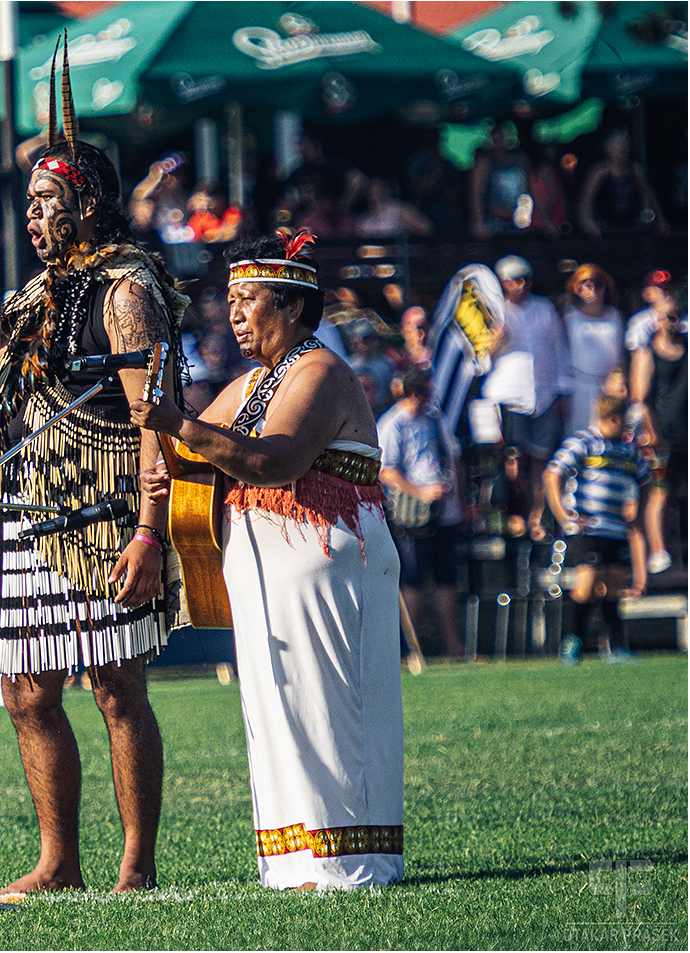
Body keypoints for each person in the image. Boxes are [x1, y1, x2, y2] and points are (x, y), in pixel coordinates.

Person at [0, 59, 182, 897]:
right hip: (31, 513)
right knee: (27, 689)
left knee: (114, 686)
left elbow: (158, 420)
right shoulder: (34, 296)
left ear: (89, 202)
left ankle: (135, 864)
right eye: (28, 202)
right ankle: (57, 861)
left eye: (45, 199)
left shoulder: (127, 289)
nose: (31, 213)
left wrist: (149, 531)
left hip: (107, 516)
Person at [130, 229, 404, 890]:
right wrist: (158, 432)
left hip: (331, 564)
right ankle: (294, 860)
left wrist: (177, 425)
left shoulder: (320, 371)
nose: (234, 314)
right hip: (265, 572)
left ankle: (349, 861)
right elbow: (190, 448)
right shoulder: (255, 381)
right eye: (230, 300)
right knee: (277, 709)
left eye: (248, 299)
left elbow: (275, 459)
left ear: (290, 307)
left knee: (329, 708)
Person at [545, 395, 650, 665]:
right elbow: (553, 473)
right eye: (624, 422)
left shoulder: (628, 451)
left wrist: (639, 508)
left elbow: (646, 479)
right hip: (587, 528)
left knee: (614, 585)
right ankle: (573, 640)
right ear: (612, 418)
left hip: (615, 528)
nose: (628, 428)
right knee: (587, 583)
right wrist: (562, 513)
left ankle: (615, 646)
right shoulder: (583, 443)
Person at [377, 369, 466, 657]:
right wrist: (420, 492)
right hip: (411, 513)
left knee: (446, 577)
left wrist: (458, 499)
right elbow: (387, 471)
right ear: (414, 392)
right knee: (412, 578)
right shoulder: (393, 424)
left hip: (444, 511)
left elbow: (453, 457)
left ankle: (453, 646)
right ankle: (410, 649)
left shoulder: (435, 418)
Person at [483, 255, 570, 540]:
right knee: (512, 459)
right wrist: (496, 340)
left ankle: (536, 517)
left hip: (543, 394)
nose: (519, 286)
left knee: (540, 460)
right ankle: (515, 514)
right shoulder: (493, 311)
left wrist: (562, 391)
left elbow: (558, 350)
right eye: (512, 280)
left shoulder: (544, 309)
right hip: (507, 396)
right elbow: (478, 360)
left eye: (523, 279)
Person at [628, 280, 686, 576]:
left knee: (683, 491)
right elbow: (641, 396)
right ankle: (659, 550)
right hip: (661, 434)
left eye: (677, 316)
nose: (673, 322)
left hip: (686, 434)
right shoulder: (648, 350)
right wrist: (652, 433)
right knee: (660, 492)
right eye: (667, 317)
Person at [562, 264, 625, 433]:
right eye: (584, 283)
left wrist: (618, 380)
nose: (591, 289)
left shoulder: (615, 316)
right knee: (579, 434)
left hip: (609, 387)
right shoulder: (569, 316)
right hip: (579, 386)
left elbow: (620, 354)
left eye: (597, 284)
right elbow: (560, 354)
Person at [576, 131, 670, 238]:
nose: (623, 149)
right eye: (618, 145)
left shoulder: (634, 169)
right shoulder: (600, 171)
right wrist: (587, 221)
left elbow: (649, 193)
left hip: (631, 226)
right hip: (605, 227)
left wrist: (660, 219)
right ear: (608, 149)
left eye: (625, 145)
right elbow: (586, 198)